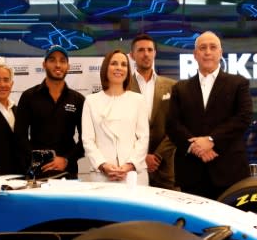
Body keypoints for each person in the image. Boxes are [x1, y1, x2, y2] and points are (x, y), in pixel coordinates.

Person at [166, 31, 253, 199]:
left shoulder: (238, 83)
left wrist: (211, 140)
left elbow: (243, 117)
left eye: (213, 47)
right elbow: (172, 124)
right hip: (191, 172)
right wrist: (196, 148)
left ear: (220, 53)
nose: (207, 52)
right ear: (195, 54)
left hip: (229, 171)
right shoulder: (180, 88)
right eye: (202, 48)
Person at [15, 45, 85, 179]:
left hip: (68, 172)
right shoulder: (29, 97)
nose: (58, 65)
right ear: (44, 64)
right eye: (52, 60)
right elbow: (20, 136)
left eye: (62, 61)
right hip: (37, 172)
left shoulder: (78, 100)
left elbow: (85, 139)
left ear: (68, 66)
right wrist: (37, 160)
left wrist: (66, 159)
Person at [80, 49, 149, 184]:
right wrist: (103, 165)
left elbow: (143, 138)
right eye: (114, 63)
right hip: (102, 176)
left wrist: (129, 166)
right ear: (106, 68)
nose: (119, 68)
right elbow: (88, 140)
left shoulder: (138, 100)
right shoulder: (91, 101)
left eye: (124, 64)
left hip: (133, 176)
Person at [128, 33, 177, 189]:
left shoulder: (172, 86)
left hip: (166, 165)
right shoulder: (122, 86)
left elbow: (177, 126)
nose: (146, 54)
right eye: (141, 50)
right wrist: (142, 157)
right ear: (132, 55)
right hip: (132, 167)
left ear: (155, 53)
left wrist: (157, 156)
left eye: (150, 50)